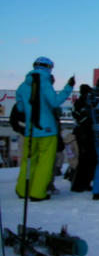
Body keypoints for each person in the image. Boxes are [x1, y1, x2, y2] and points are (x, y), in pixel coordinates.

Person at [15, 57, 75, 201]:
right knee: (45, 163)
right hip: (47, 130)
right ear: (48, 68)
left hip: (30, 130)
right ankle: (37, 193)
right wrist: (68, 87)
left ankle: (23, 190)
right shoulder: (45, 82)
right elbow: (55, 102)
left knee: (28, 161)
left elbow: (20, 108)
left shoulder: (22, 86)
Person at [71, 84, 96, 192]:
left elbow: (76, 116)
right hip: (86, 134)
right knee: (88, 159)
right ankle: (82, 183)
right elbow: (83, 118)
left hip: (81, 133)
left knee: (84, 159)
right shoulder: (86, 103)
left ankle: (80, 183)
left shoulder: (78, 102)